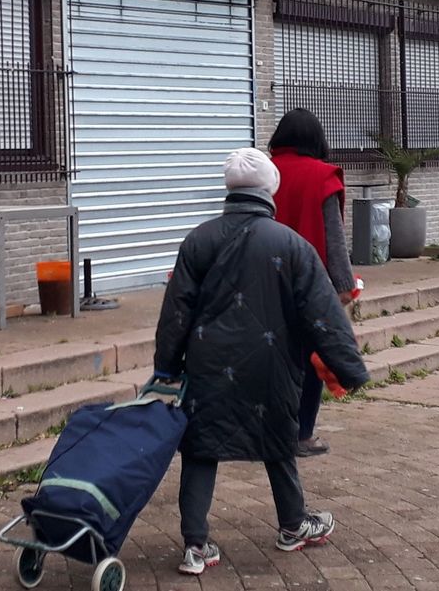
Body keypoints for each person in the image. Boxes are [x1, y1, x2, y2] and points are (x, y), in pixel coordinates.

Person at [153, 147, 369, 577]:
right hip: (271, 366)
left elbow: (176, 311)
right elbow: (323, 312)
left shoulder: (198, 239)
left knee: (200, 449)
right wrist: (350, 368)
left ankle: (195, 545)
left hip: (208, 365)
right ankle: (293, 525)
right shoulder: (291, 244)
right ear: (270, 191)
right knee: (279, 442)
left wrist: (166, 368)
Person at [269, 108, 356, 458]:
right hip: (308, 286)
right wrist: (344, 287)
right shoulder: (323, 177)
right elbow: (333, 239)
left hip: (263, 282)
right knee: (310, 362)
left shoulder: (264, 173)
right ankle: (301, 435)